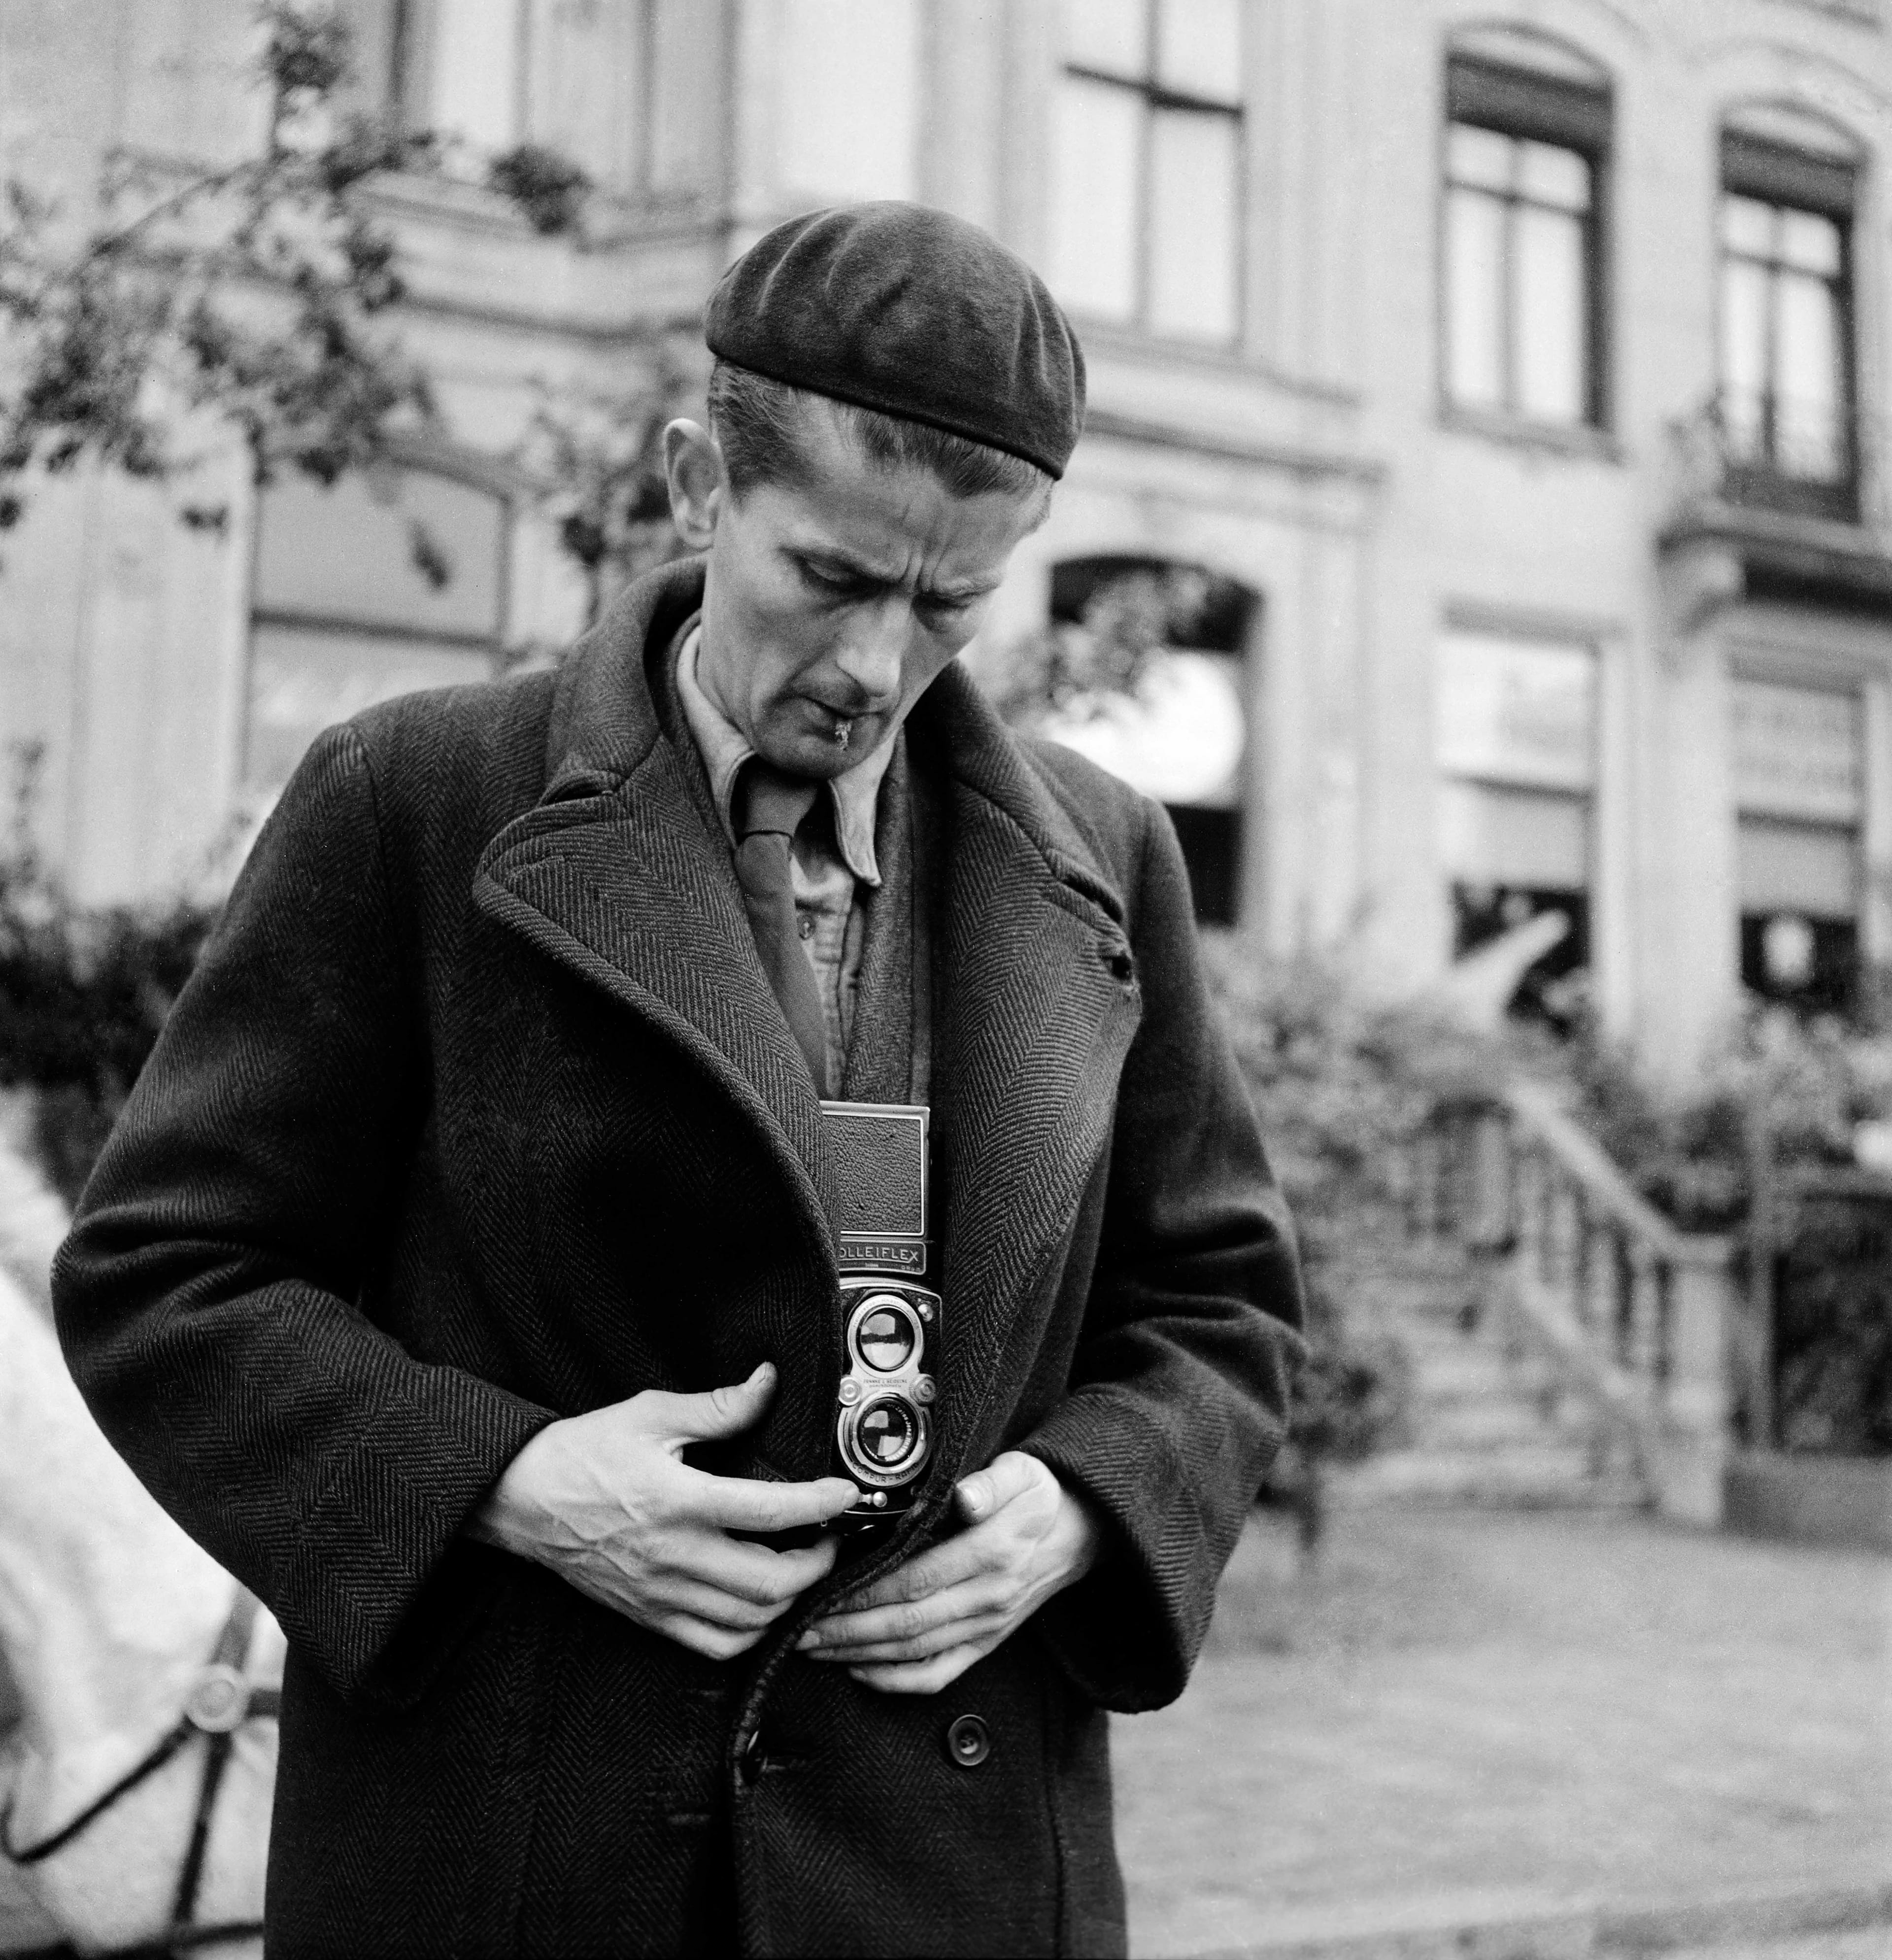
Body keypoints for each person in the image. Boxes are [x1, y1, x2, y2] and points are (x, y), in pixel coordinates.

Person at [52, 202, 1303, 1958]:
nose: (878, 668)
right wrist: (509, 1483)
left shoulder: (1106, 856)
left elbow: (1222, 1305)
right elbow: (161, 1280)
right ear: (700, 482)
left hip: (952, 1881)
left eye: (953, 601)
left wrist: (1091, 1504)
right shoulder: (408, 799)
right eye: (836, 579)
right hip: (512, 1865)